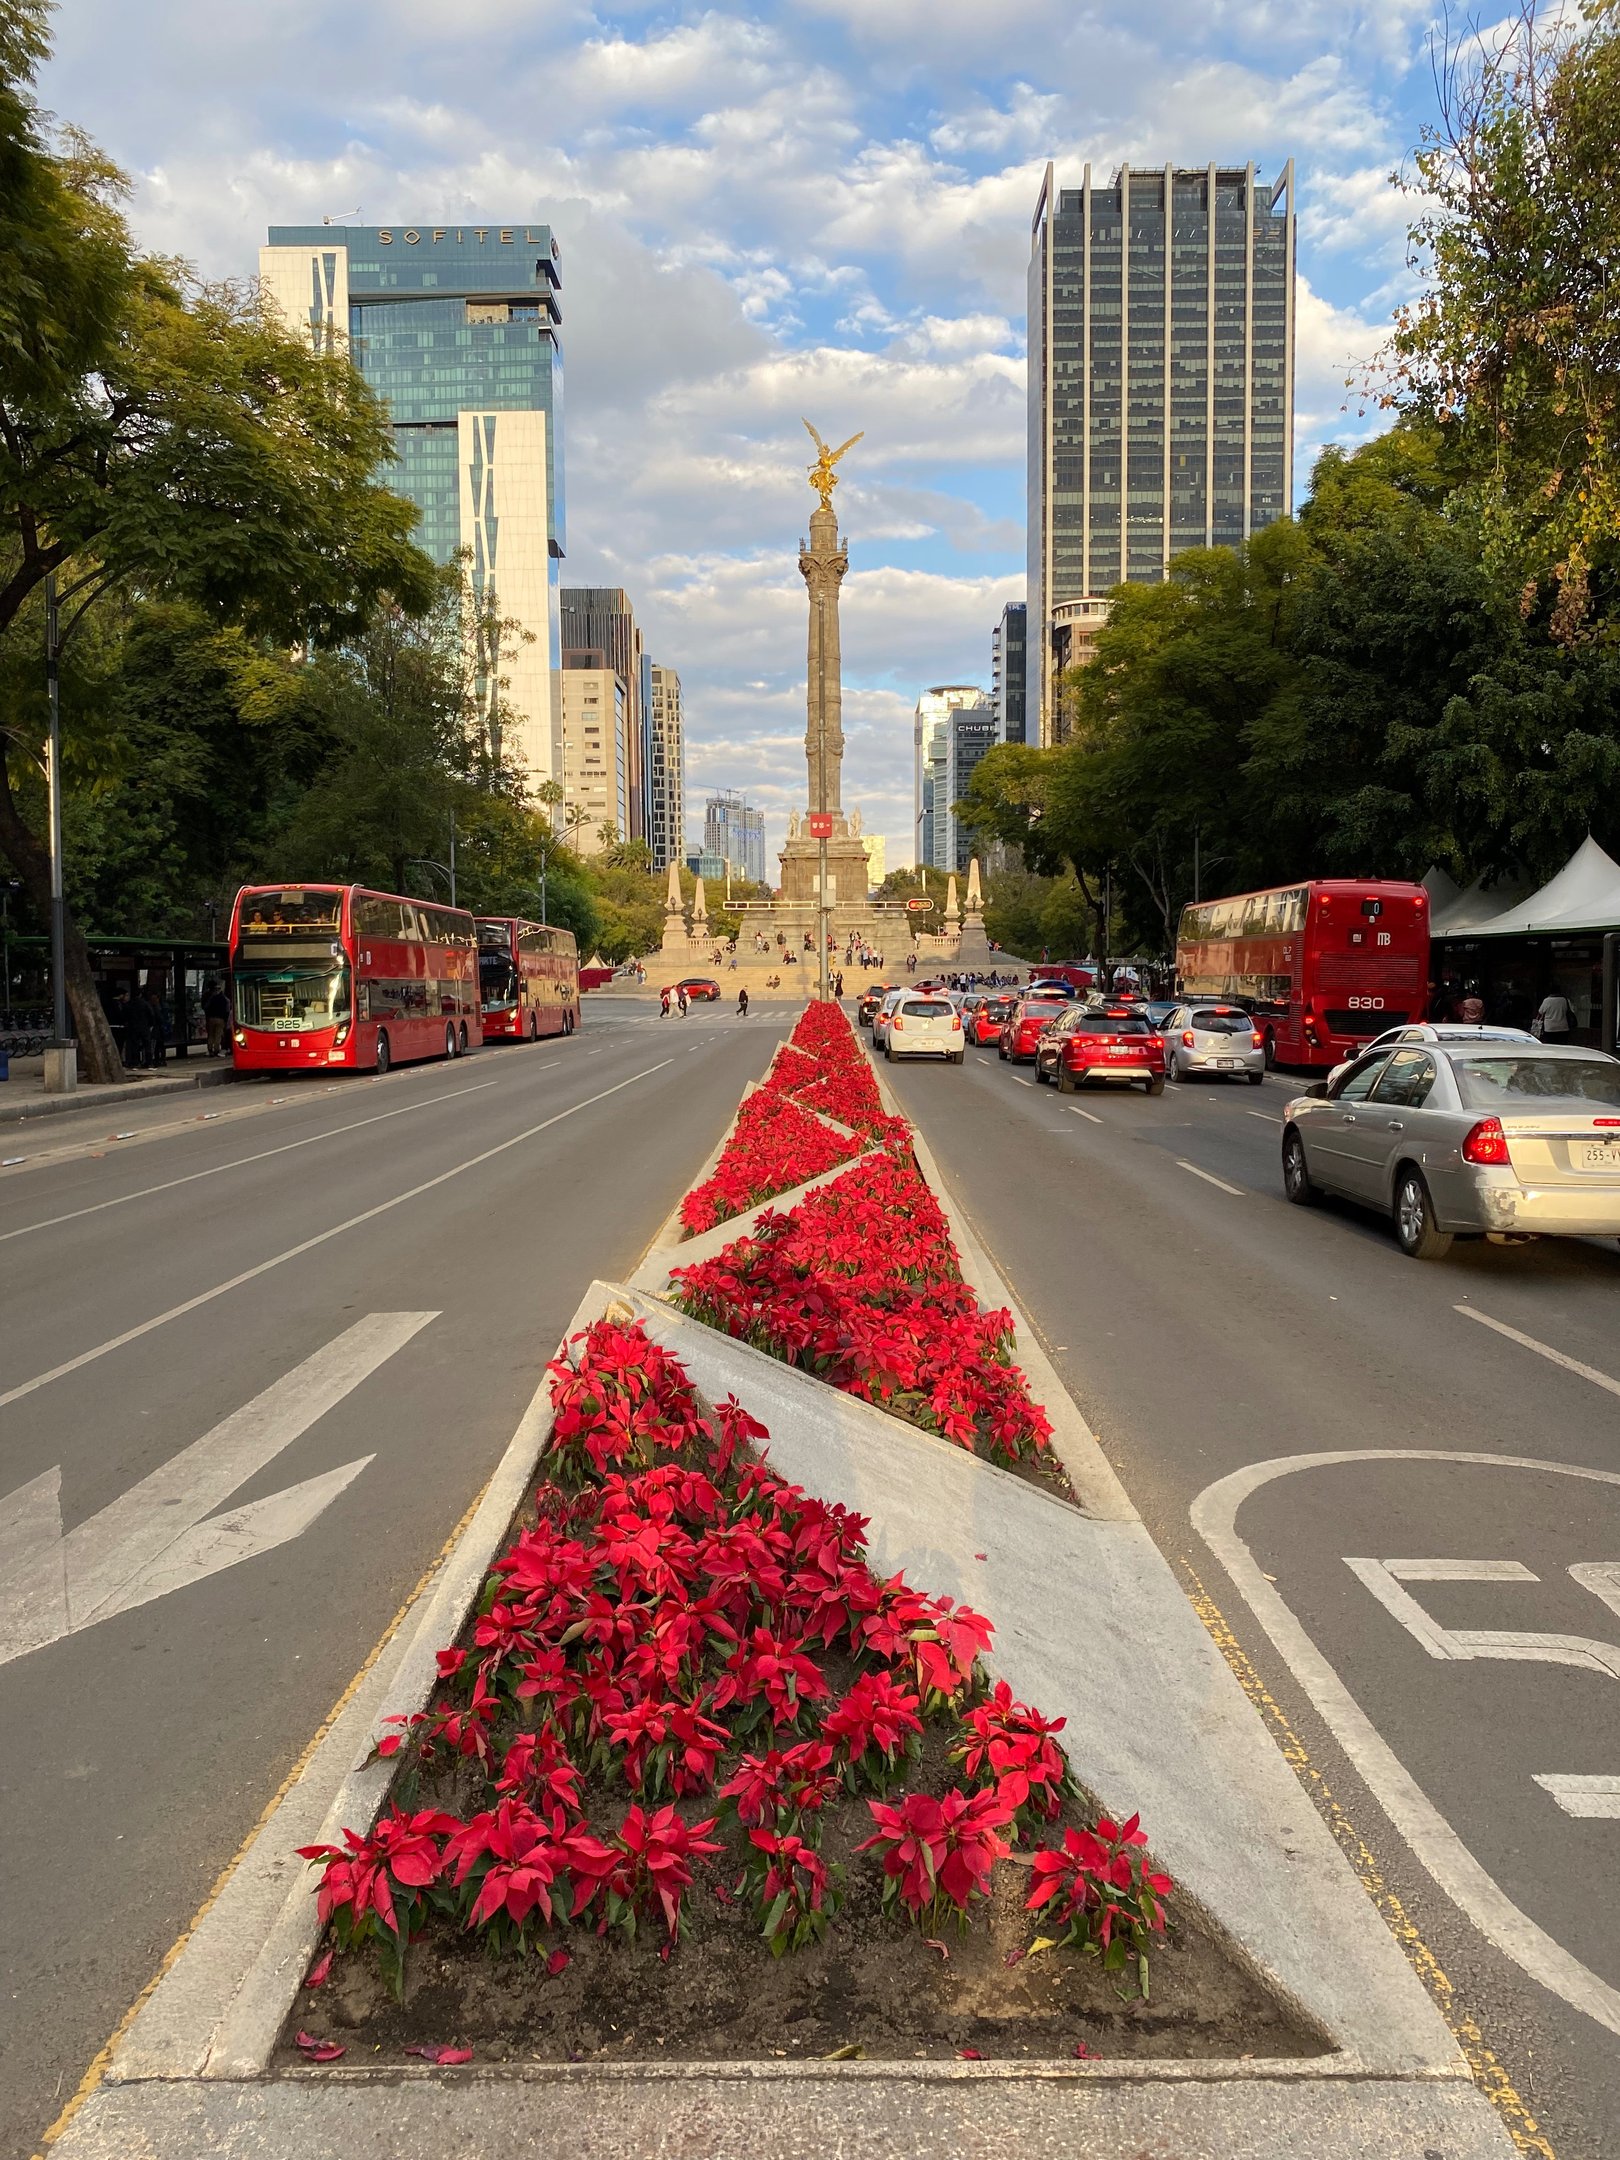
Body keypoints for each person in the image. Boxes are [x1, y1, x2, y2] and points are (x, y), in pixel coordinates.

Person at [202, 980, 230, 1058]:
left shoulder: (211, 998)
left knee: (211, 1035)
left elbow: (205, 1007)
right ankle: (216, 1050)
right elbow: (227, 1009)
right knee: (218, 1035)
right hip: (220, 1019)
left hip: (211, 1018)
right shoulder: (224, 999)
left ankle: (210, 1049)